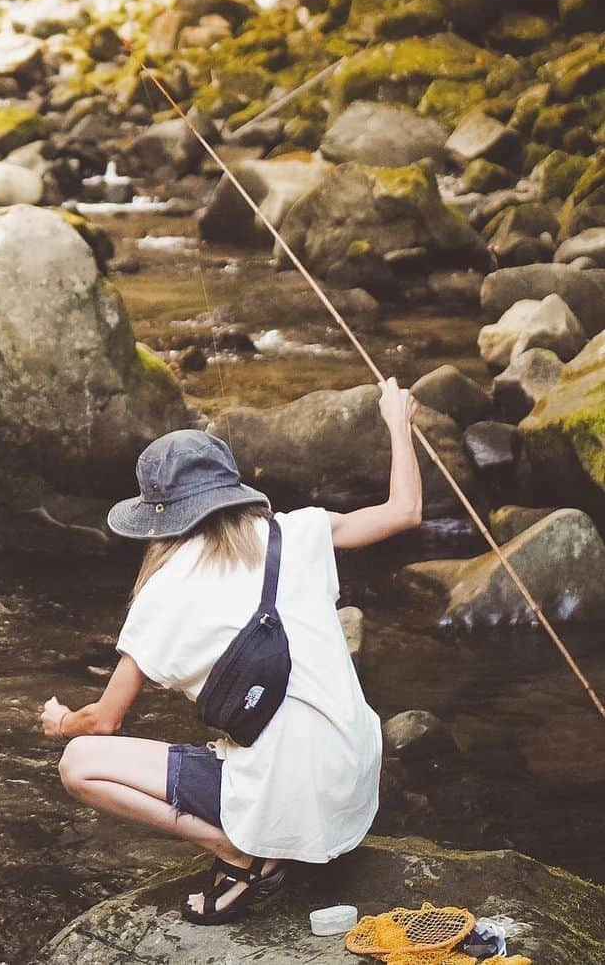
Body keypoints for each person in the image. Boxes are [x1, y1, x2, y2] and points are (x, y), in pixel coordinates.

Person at [40, 377, 421, 925]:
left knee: (79, 765)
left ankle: (241, 855)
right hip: (349, 781)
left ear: (160, 516)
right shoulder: (299, 532)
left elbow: (104, 722)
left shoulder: (164, 591)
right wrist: (397, 422)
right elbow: (405, 511)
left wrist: (60, 722)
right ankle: (265, 836)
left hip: (283, 795)